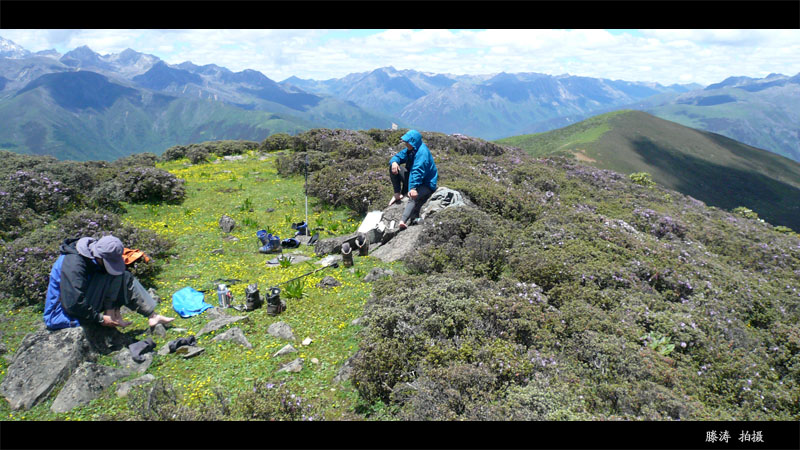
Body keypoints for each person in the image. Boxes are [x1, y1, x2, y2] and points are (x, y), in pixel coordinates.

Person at [43, 235, 174, 330]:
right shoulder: (74, 264)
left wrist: (110, 307)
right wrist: (99, 319)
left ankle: (152, 315)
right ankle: (110, 315)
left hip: (80, 302)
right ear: (99, 255)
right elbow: (72, 303)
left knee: (122, 275)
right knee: (112, 275)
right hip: (61, 314)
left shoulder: (92, 253)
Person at [388, 130, 438, 230]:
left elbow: (417, 171)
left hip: (426, 184)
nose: (405, 144)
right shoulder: (411, 149)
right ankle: (397, 193)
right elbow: (398, 156)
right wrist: (394, 162)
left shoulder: (422, 153)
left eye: (407, 142)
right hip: (413, 179)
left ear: (412, 142)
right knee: (393, 168)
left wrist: (413, 188)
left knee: (413, 196)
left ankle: (403, 220)